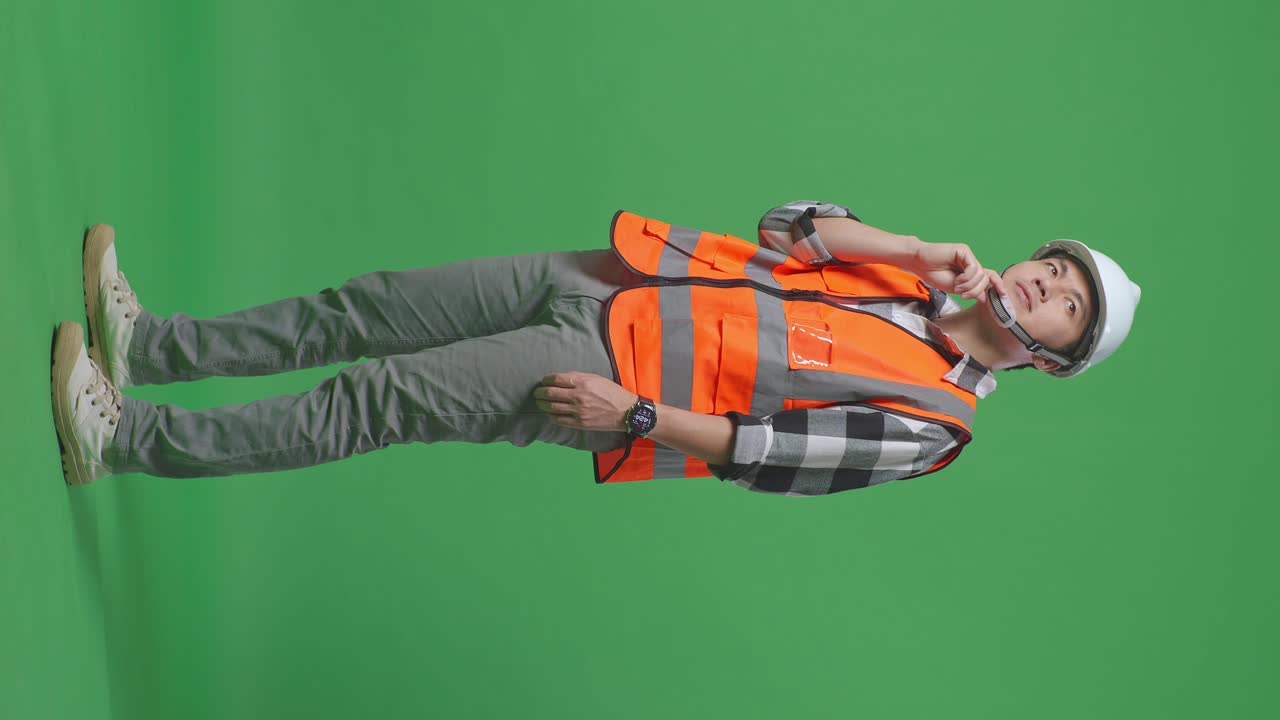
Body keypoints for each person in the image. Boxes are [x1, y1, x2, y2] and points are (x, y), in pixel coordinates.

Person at [50, 200, 1141, 496]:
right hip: (617, 277)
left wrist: (631, 422)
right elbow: (786, 225)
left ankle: (129, 436)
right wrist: (908, 242)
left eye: (1066, 308)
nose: (1048, 284)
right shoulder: (913, 271)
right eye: (1057, 266)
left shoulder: (935, 425)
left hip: (611, 379)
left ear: (1047, 358)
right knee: (366, 306)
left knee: (369, 399)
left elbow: (769, 457)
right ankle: (152, 348)